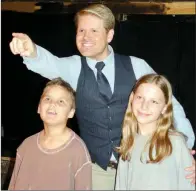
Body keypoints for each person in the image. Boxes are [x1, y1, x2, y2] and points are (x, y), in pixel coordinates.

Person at [9, 4, 195, 190]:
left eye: (94, 30)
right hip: (96, 171)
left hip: (139, 164)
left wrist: (184, 151)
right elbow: (49, 63)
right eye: (81, 30)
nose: (85, 37)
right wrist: (30, 50)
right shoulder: (74, 68)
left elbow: (169, 103)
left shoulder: (136, 66)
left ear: (109, 35)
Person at [8, 78, 92, 190]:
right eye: (47, 99)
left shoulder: (78, 151)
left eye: (61, 101)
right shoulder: (26, 146)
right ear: (39, 107)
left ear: (71, 112)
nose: (52, 104)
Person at [115, 74, 195, 190]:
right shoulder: (128, 143)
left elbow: (188, 186)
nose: (144, 106)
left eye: (154, 101)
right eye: (140, 97)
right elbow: (121, 186)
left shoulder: (175, 143)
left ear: (164, 108)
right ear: (132, 98)